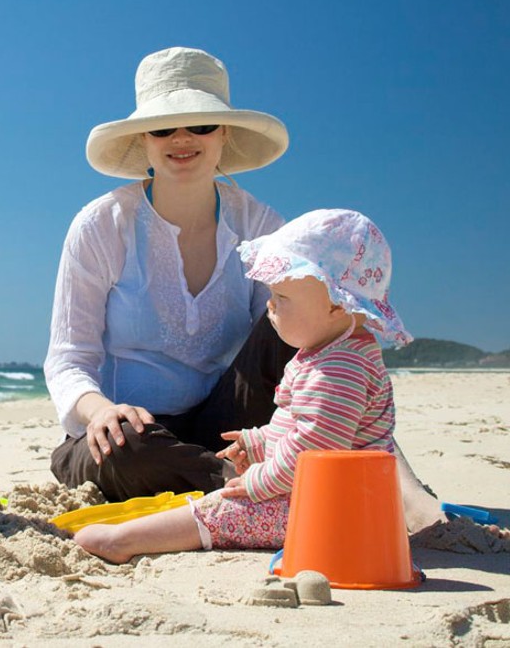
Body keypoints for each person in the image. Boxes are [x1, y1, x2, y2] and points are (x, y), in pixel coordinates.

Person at [74, 208, 412, 563]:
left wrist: (258, 482)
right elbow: (301, 427)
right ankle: (133, 534)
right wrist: (259, 441)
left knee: (223, 509)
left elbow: (315, 450)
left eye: (282, 297)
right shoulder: (333, 353)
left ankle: (123, 541)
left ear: (336, 306)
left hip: (335, 511)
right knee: (227, 500)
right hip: (336, 499)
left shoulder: (339, 369)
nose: (270, 305)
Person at [45, 46, 296, 501]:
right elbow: (68, 359)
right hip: (132, 435)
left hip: (228, 425)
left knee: (304, 315)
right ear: (144, 139)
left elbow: (296, 343)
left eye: (200, 125)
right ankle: (252, 485)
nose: (182, 138)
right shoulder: (102, 225)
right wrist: (100, 411)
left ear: (223, 133)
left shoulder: (259, 224)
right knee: (126, 447)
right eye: (163, 128)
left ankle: (376, 474)